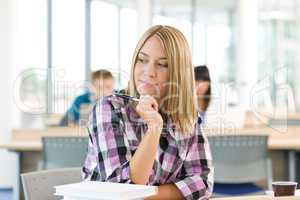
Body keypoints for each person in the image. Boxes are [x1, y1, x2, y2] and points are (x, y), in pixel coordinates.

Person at [82, 25, 214, 200]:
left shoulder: (186, 117)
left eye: (162, 64)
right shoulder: (108, 108)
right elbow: (120, 188)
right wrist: (154, 127)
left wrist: (147, 196)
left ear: (179, 73)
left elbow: (203, 183)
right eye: (142, 60)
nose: (149, 72)